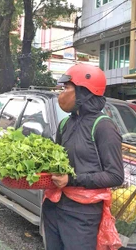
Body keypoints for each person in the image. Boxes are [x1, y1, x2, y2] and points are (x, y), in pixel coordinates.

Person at [42, 63, 124, 249]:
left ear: (83, 92)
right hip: (54, 207)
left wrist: (71, 180)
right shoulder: (65, 124)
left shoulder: (104, 126)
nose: (61, 93)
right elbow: (57, 163)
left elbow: (115, 176)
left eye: (66, 88)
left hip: (82, 215)